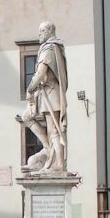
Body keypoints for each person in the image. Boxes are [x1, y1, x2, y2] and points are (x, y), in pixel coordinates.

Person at [18, 21, 68, 172]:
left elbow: (40, 73)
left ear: (50, 31)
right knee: (27, 117)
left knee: (54, 130)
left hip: (50, 93)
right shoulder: (51, 48)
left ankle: (59, 164)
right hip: (45, 93)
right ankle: (48, 149)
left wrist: (29, 89)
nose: (39, 34)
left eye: (42, 31)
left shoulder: (49, 49)